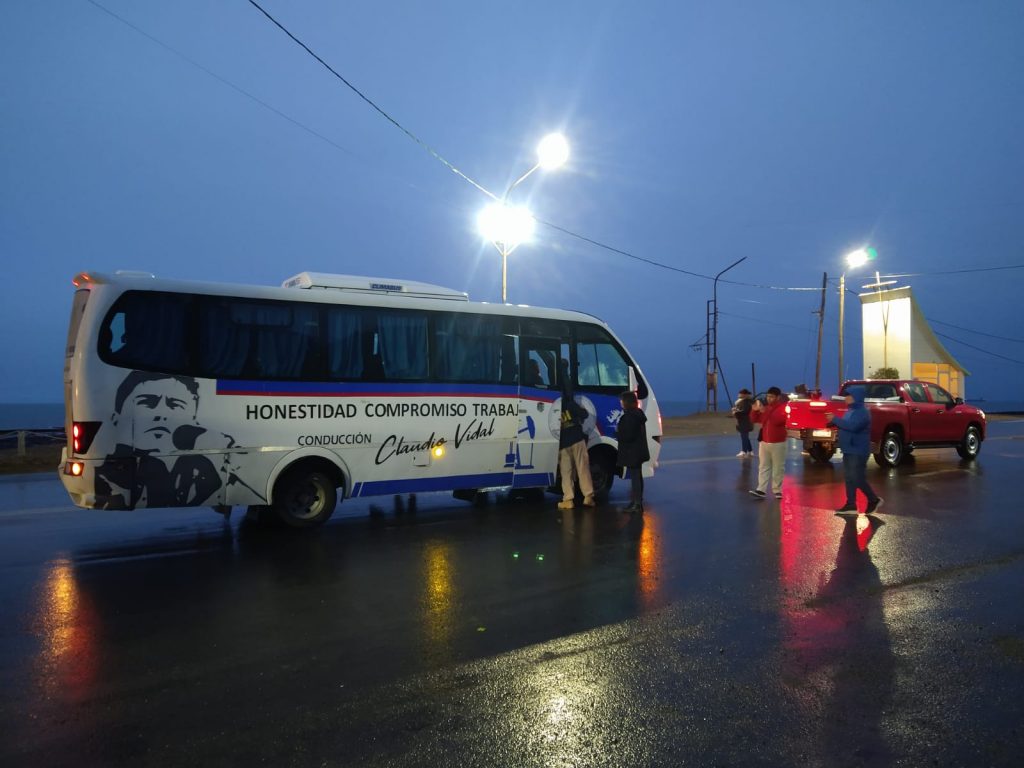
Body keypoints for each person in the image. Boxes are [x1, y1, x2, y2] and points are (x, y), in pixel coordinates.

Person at [827, 386, 884, 514]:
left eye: (849, 396)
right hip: (849, 449)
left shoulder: (863, 412)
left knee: (857, 478)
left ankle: (873, 499)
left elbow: (853, 427)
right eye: (846, 395)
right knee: (849, 477)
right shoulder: (850, 411)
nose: (846, 398)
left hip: (858, 451)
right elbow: (847, 425)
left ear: (856, 397)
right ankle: (851, 504)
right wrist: (834, 423)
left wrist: (835, 419)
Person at [557, 361, 595, 510]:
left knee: (566, 472)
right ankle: (588, 496)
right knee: (582, 468)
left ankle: (568, 499)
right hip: (577, 439)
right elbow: (584, 414)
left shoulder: (554, 407)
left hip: (563, 443)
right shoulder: (571, 404)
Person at [749, 386, 788, 500]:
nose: (769, 398)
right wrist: (754, 410)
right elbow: (754, 420)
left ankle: (777, 490)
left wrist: (764, 411)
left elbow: (777, 421)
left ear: (778, 397)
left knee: (778, 467)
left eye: (771, 396)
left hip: (778, 443)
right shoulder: (766, 408)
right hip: (764, 442)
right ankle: (761, 489)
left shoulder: (782, 408)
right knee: (763, 466)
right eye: (768, 396)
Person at [615, 390, 650, 514]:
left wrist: (618, 433)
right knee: (637, 476)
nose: (620, 402)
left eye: (622, 400)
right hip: (638, 451)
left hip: (633, 452)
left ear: (627, 402)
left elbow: (628, 435)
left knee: (635, 478)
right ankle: (636, 501)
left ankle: (637, 504)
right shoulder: (637, 414)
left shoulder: (630, 416)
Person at [732, 388, 754, 458]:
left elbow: (744, 412)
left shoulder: (746, 402)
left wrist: (736, 412)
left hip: (745, 422)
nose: (739, 395)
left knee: (744, 436)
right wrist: (736, 410)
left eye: (740, 393)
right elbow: (742, 410)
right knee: (746, 437)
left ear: (744, 394)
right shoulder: (745, 401)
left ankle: (744, 451)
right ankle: (750, 451)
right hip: (744, 422)